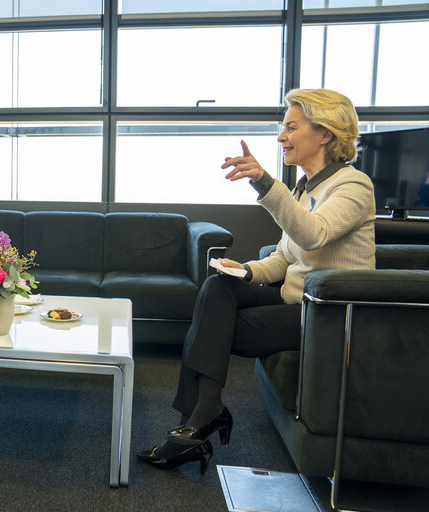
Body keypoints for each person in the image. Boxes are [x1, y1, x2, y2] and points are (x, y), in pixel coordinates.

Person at [137, 88, 376, 472]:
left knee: (214, 326)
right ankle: (200, 416)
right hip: (294, 301)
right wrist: (244, 270)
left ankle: (195, 422)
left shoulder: (353, 186)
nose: (282, 137)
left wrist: (265, 183)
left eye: (291, 127)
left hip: (328, 315)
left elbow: (314, 234)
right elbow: (284, 257)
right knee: (217, 286)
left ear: (326, 134)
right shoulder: (304, 188)